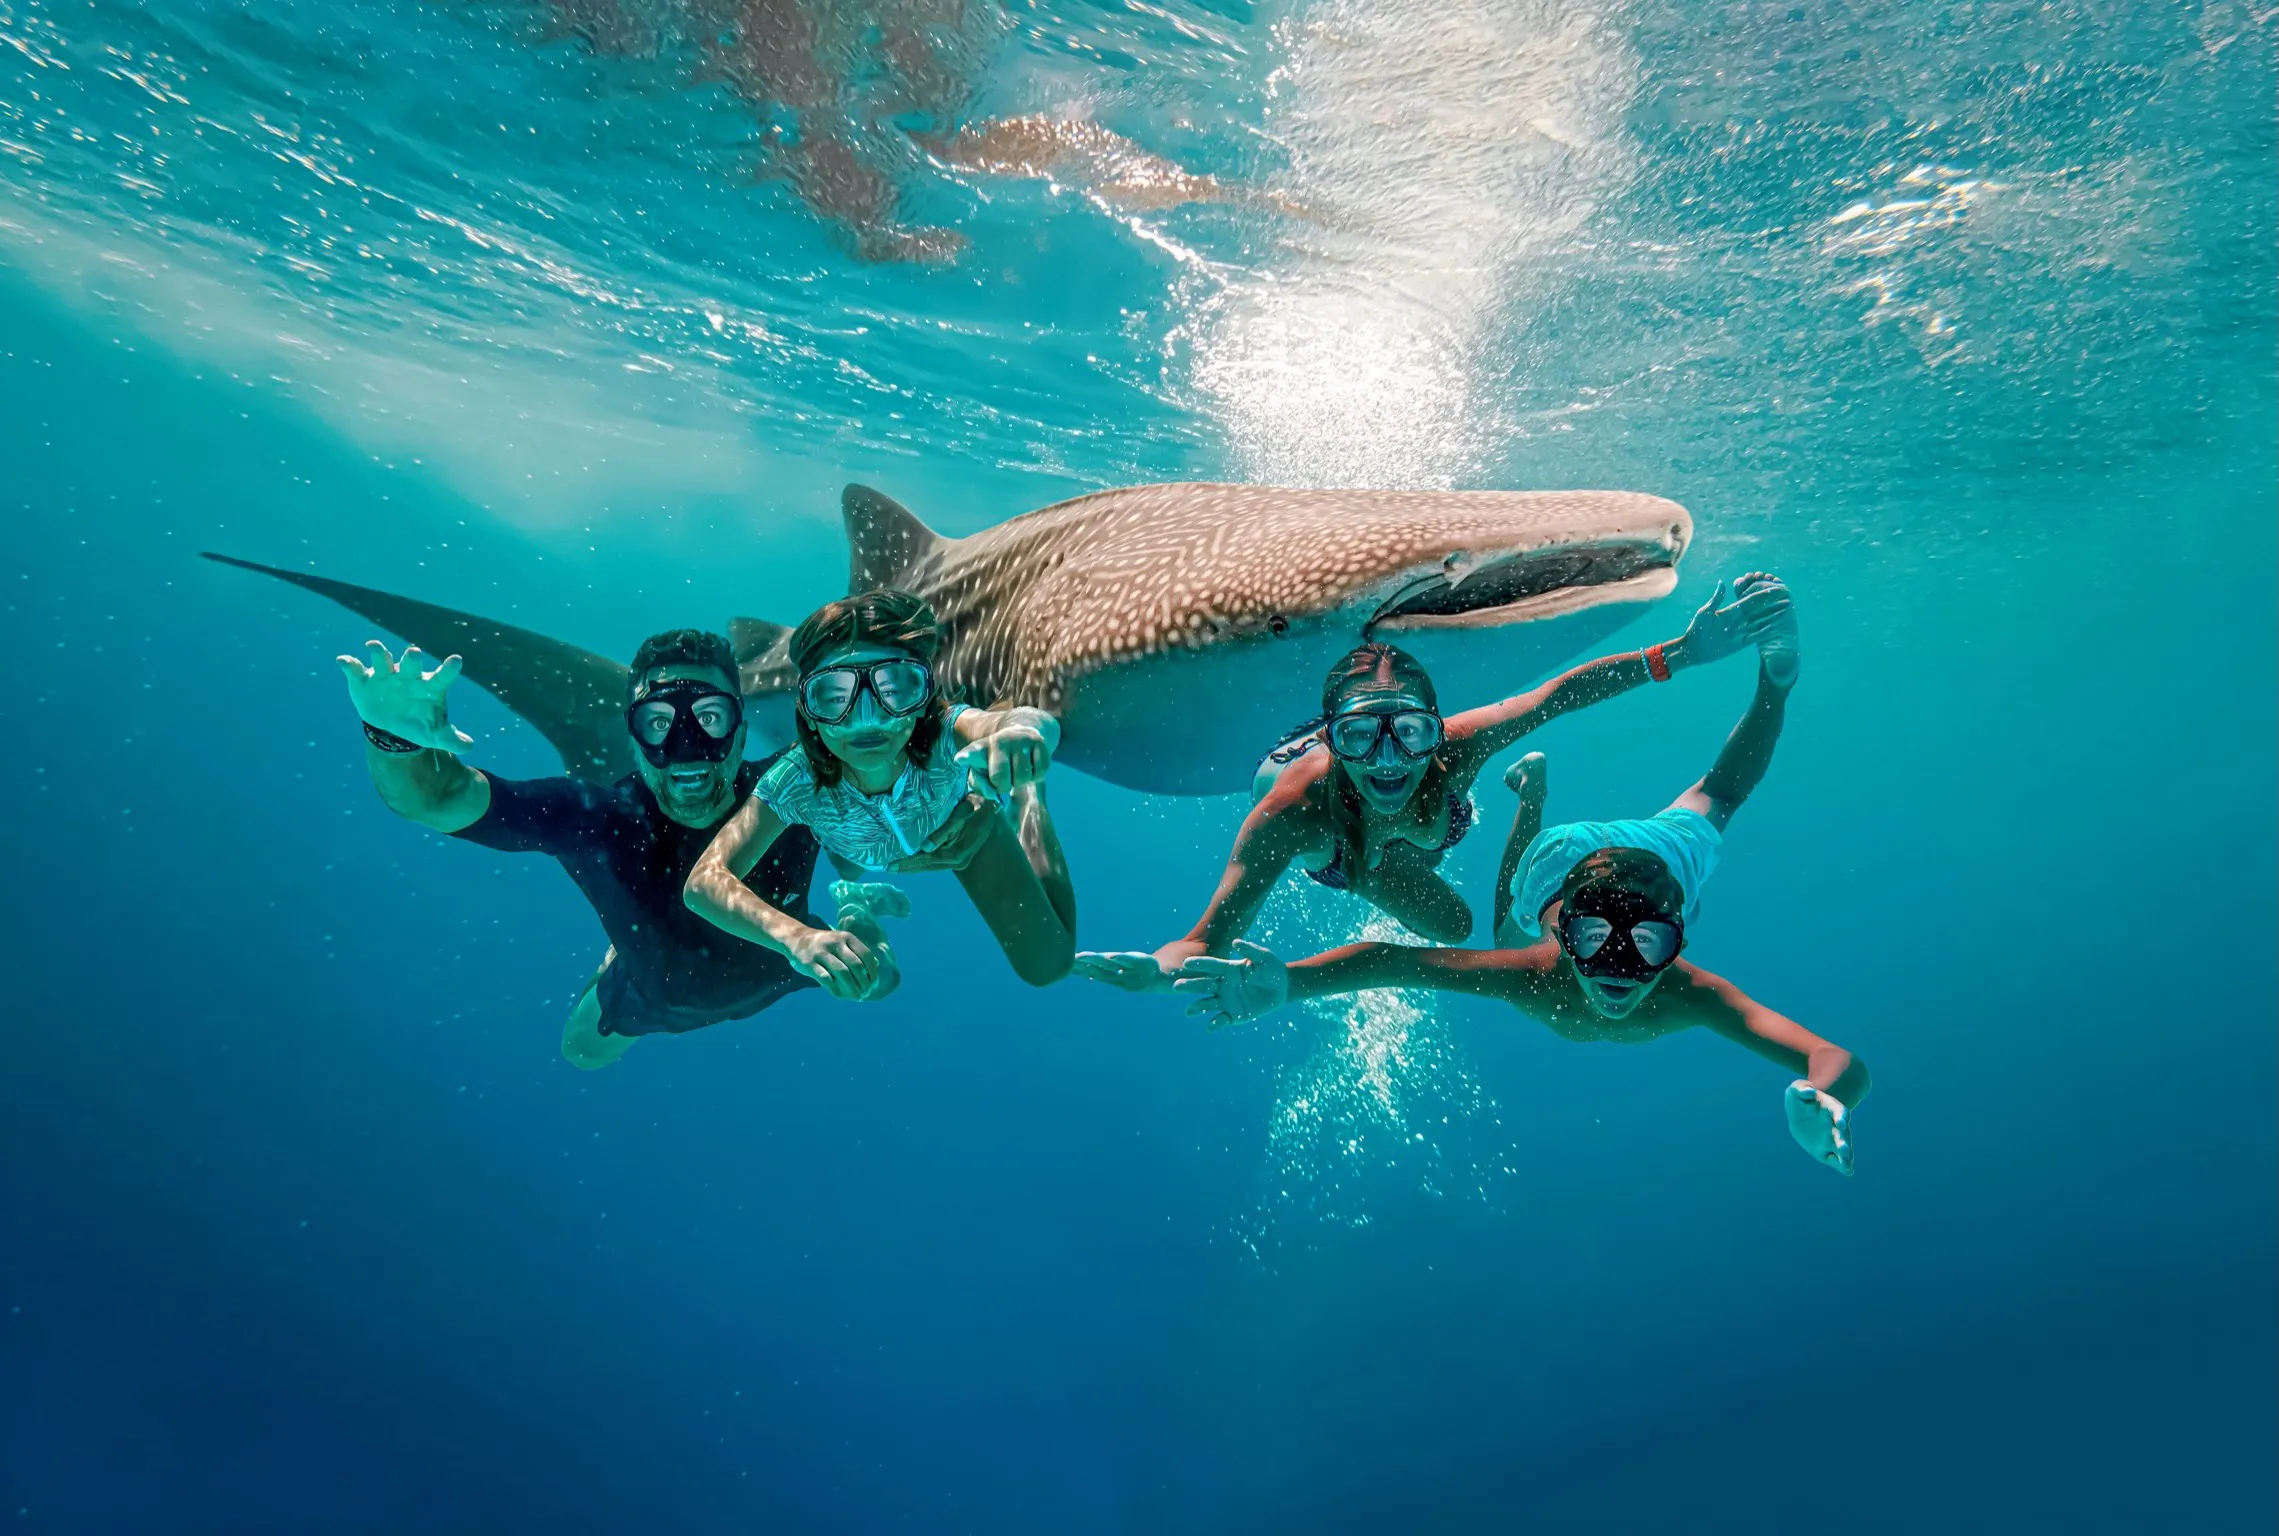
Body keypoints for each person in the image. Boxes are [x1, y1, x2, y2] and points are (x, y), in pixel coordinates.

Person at [1169, 594, 1867, 1176]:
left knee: (1718, 801)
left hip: (1653, 862)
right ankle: (1526, 798)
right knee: (1505, 922)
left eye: (1646, 943)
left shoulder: (1668, 979)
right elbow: (1393, 959)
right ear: (1564, 934)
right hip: (1561, 863)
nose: (1618, 968)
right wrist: (1282, 980)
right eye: (1594, 940)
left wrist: (1825, 1097)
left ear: (1676, 934)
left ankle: (1772, 684)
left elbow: (1834, 1062)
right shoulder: (1568, 970)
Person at [1071, 573, 1795, 995]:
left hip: (1408, 823)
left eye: (1409, 733)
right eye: (1359, 737)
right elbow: (1205, 936)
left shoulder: (1457, 747)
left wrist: (1683, 652)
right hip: (1349, 848)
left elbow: (1557, 694)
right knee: (1450, 924)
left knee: (1449, 906)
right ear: (1331, 738)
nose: (1387, 758)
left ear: (1435, 726)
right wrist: (1163, 968)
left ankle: (1437, 764)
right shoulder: (1291, 817)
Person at [336, 627, 991, 1069]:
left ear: (740, 723)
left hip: (788, 952)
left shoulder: (788, 784)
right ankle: (621, 951)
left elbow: (897, 769)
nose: (686, 746)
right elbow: (434, 797)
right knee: (580, 1053)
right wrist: (394, 736)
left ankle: (855, 906)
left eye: (709, 719)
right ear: (634, 734)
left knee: (882, 980)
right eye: (659, 723)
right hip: (659, 991)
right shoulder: (596, 816)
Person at [685, 589, 1078, 993]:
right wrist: (795, 938)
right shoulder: (795, 781)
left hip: (960, 832)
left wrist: (1021, 733)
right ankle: (855, 899)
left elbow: (1018, 721)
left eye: (894, 690)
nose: (866, 720)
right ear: (808, 712)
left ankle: (1027, 790)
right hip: (855, 847)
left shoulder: (946, 732)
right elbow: (703, 882)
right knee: (872, 979)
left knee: (1048, 965)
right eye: (835, 696)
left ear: (923, 696)